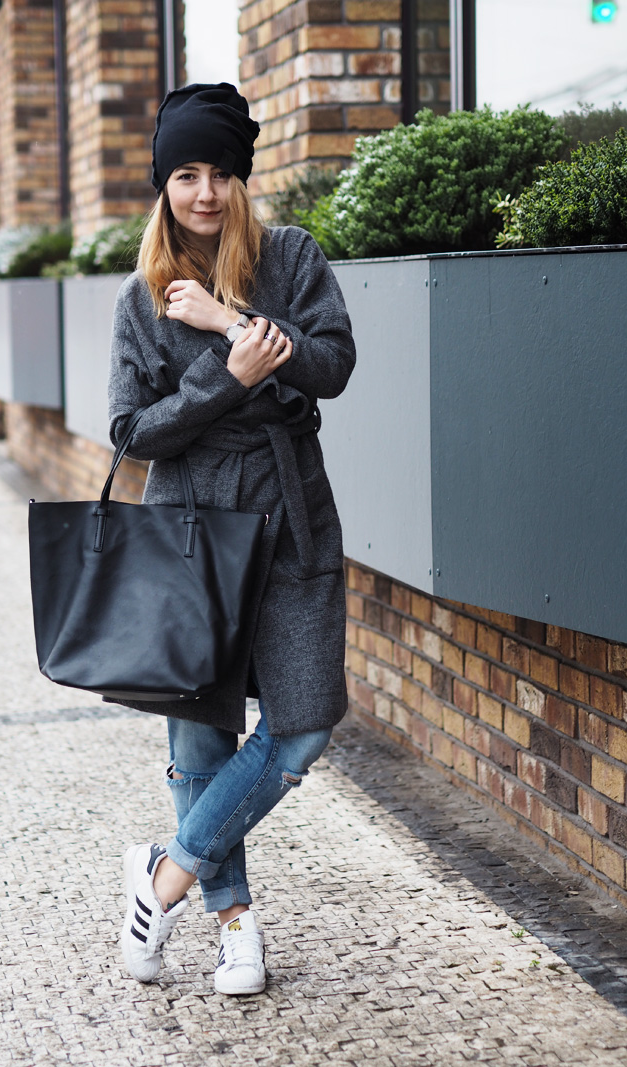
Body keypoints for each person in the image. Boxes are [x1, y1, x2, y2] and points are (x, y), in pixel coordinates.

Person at [107, 83, 356, 996]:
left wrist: (230, 322)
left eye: (220, 172)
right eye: (186, 174)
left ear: (243, 178)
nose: (205, 192)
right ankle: (234, 925)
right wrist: (225, 376)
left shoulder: (291, 257)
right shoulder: (141, 295)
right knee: (202, 735)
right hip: (191, 530)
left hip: (292, 517)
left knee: (305, 723)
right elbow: (132, 433)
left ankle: (164, 874)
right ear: (163, 183)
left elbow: (332, 364)